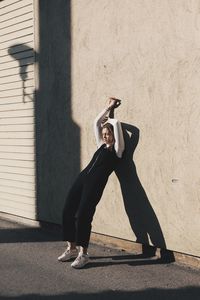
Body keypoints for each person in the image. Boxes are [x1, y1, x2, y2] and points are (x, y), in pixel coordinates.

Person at [58, 97, 125, 269]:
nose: (105, 136)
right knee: (67, 210)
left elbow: (116, 124)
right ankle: (71, 248)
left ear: (113, 135)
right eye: (104, 134)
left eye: (108, 134)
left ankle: (83, 254)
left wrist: (110, 117)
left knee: (83, 216)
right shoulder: (100, 145)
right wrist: (108, 108)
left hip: (95, 185)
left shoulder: (117, 151)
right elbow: (96, 122)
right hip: (82, 178)